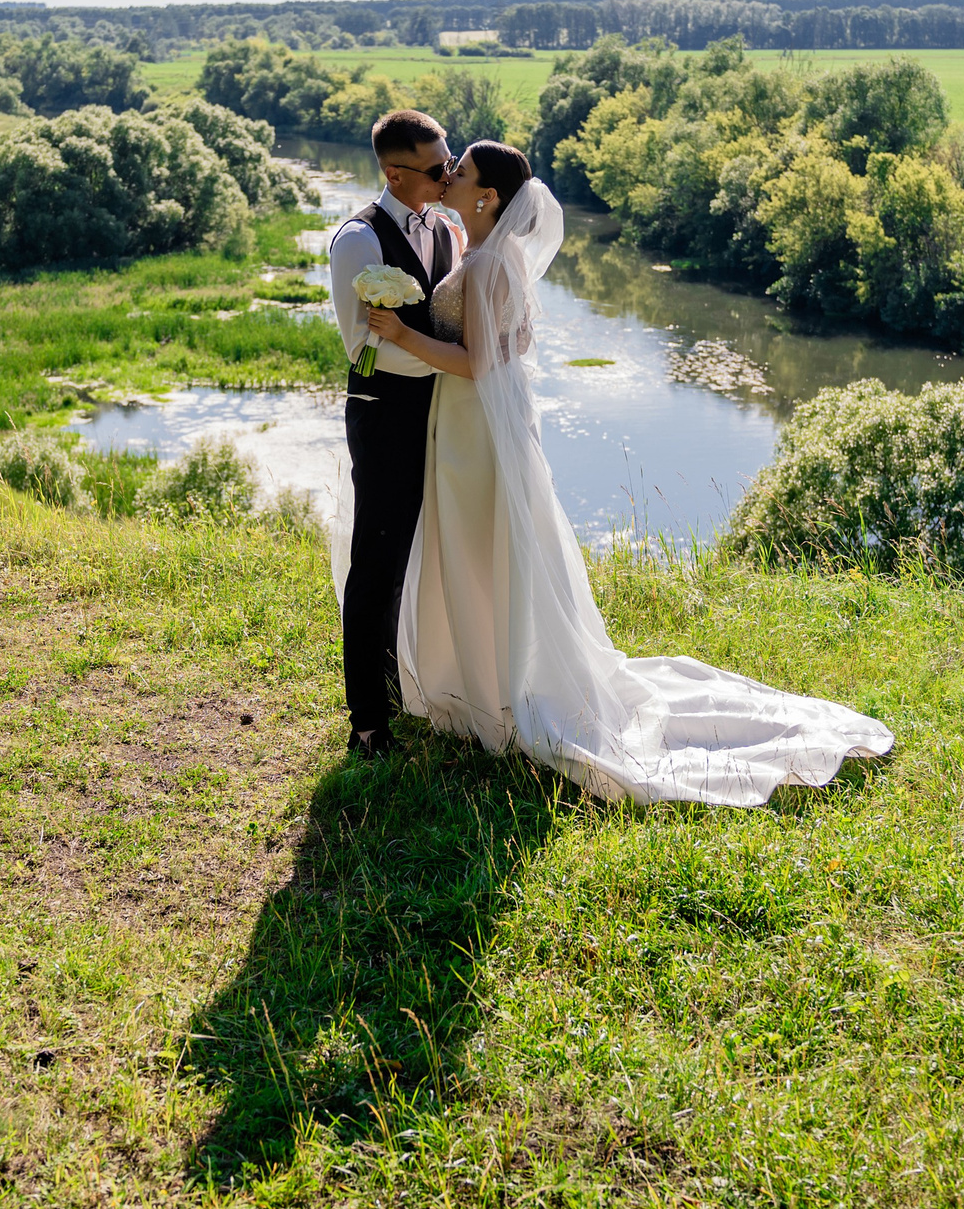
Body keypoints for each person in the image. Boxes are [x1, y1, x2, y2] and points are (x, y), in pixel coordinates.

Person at [362, 142, 892, 806]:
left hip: (478, 426)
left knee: (483, 549)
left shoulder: (492, 262)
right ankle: (486, 680)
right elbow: (515, 341)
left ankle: (497, 689)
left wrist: (401, 335)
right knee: (485, 550)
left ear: (487, 196)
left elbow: (480, 363)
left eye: (460, 172)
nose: (449, 178)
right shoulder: (487, 253)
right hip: (474, 422)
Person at [325, 109, 463, 759]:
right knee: (376, 563)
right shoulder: (358, 240)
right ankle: (368, 722)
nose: (448, 175)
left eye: (450, 162)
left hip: (442, 412)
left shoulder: (446, 227)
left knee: (418, 558)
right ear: (395, 172)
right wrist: (449, 362)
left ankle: (403, 679)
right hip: (384, 413)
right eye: (437, 168)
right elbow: (363, 349)